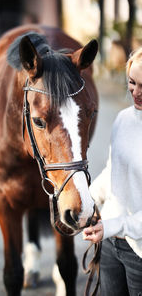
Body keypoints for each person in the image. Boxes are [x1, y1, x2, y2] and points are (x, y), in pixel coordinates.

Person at [83, 47, 142, 296]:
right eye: (132, 82)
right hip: (109, 244)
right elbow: (113, 171)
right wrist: (86, 202)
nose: (136, 93)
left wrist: (114, 225)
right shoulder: (123, 119)